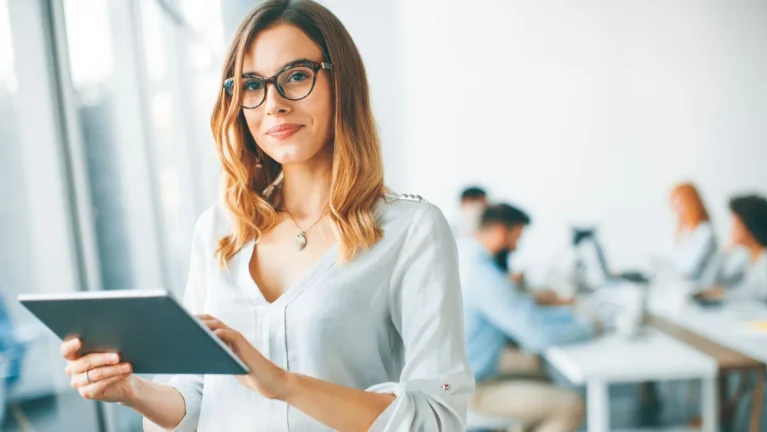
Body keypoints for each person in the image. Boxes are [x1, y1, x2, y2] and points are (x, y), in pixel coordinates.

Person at [58, 1, 474, 430]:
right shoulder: (219, 230)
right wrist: (133, 392)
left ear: (341, 81)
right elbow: (199, 395)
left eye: (296, 76)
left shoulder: (411, 231)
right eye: (252, 85)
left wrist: (284, 384)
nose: (272, 104)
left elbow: (436, 418)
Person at [460, 204, 600, 432]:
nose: (517, 246)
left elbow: (524, 314)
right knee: (571, 405)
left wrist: (568, 317)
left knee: (542, 374)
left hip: (466, 377)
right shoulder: (482, 276)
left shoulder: (470, 258)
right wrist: (591, 327)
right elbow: (536, 335)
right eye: (517, 236)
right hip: (473, 391)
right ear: (499, 232)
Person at [700, 194, 767, 302]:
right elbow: (709, 284)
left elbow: (754, 297)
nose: (731, 229)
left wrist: (725, 294)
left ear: (749, 226)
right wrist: (725, 252)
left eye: (735, 224)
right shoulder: (748, 261)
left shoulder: (764, 262)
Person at [668, 183, 718, 283]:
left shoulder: (705, 232)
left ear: (691, 203)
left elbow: (692, 269)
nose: (677, 211)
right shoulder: (684, 232)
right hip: (681, 283)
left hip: (698, 286)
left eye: (680, 204)